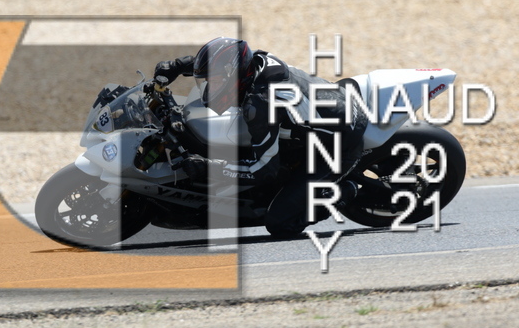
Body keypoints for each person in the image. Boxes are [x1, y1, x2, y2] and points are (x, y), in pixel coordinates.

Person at [154, 37, 368, 237]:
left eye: (216, 82)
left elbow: (265, 170)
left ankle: (343, 191)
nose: (210, 88)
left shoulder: (260, 104)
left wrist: (211, 167)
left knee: (280, 223)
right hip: (324, 116)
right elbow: (223, 61)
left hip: (341, 142)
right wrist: (177, 66)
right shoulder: (254, 62)